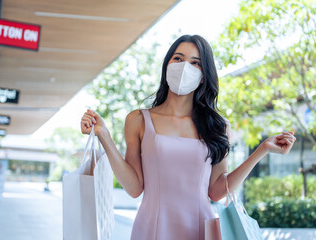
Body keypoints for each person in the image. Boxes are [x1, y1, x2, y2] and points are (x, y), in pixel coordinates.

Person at [80, 35, 296, 240]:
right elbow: (134, 188)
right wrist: (104, 136)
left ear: (204, 76)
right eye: (178, 58)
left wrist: (262, 149)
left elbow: (217, 191)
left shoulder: (218, 126)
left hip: (200, 228)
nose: (185, 67)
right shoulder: (138, 120)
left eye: (195, 63)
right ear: (167, 65)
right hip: (151, 228)